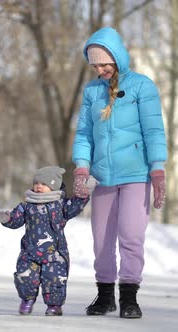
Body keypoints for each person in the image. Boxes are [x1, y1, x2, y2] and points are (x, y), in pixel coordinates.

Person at [72, 27, 167, 319]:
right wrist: (81, 166)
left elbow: (154, 131)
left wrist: (158, 170)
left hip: (136, 175)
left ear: (117, 58)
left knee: (131, 236)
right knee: (101, 241)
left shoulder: (142, 86)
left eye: (104, 64)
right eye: (95, 65)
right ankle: (104, 297)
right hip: (102, 177)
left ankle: (128, 297)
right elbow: (84, 133)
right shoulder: (91, 91)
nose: (100, 70)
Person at [0, 166, 97, 316]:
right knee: (26, 278)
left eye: (43, 183)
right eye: (36, 183)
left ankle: (54, 306)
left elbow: (75, 206)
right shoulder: (27, 206)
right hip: (29, 254)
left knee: (54, 281)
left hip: (55, 255)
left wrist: (84, 194)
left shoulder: (61, 206)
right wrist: (7, 218)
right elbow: (16, 220)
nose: (38, 186)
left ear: (53, 185)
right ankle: (27, 300)